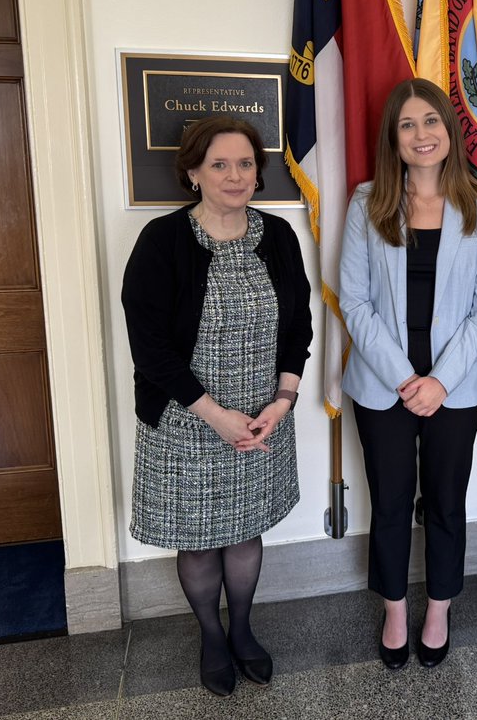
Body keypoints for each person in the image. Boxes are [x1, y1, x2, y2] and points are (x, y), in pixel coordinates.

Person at [121, 116, 312, 697]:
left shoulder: (277, 235)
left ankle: (244, 628)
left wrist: (283, 400)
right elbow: (149, 347)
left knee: (246, 529)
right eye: (220, 164)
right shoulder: (162, 240)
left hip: (261, 419)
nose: (235, 175)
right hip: (187, 422)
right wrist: (214, 414)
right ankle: (210, 633)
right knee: (200, 538)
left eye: (246, 164)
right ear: (193, 173)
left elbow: (297, 327)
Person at [339, 78, 477, 671]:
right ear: (394, 137)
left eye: (430, 121)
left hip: (456, 387)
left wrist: (438, 382)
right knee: (388, 502)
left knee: (444, 502)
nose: (421, 134)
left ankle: (438, 608)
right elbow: (354, 302)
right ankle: (394, 611)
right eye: (408, 125)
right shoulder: (367, 203)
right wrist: (406, 377)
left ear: (449, 130)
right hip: (381, 384)